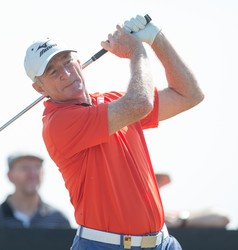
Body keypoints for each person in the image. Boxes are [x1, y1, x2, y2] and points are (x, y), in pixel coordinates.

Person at [23, 14, 204, 249]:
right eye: (52, 71)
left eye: (67, 61)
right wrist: (137, 52)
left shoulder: (112, 102)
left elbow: (189, 95)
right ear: (39, 87)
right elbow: (139, 103)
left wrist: (156, 38)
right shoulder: (58, 123)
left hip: (163, 243)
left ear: (79, 62)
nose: (66, 74)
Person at [0, 152, 71, 228]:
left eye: (37, 167)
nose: (32, 173)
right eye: (24, 168)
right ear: (10, 176)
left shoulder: (58, 219)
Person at [155, 173, 230, 229]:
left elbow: (221, 217)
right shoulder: (153, 220)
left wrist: (180, 221)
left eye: (155, 181)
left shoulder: (170, 215)